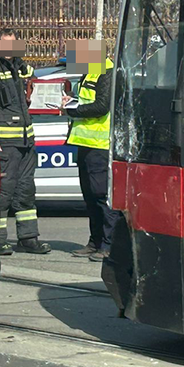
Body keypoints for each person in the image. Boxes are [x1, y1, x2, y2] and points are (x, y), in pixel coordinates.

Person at [0, 28, 50, 255]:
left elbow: (35, 80)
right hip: (5, 142)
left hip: (25, 141)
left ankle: (28, 238)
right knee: (3, 192)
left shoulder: (20, 67)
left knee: (26, 190)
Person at [63, 38, 119, 262]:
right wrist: (72, 100)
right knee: (89, 196)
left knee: (101, 196)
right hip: (86, 144)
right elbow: (87, 99)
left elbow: (102, 106)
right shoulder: (90, 71)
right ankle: (94, 242)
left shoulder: (107, 71)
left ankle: (108, 245)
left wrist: (73, 110)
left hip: (100, 145)